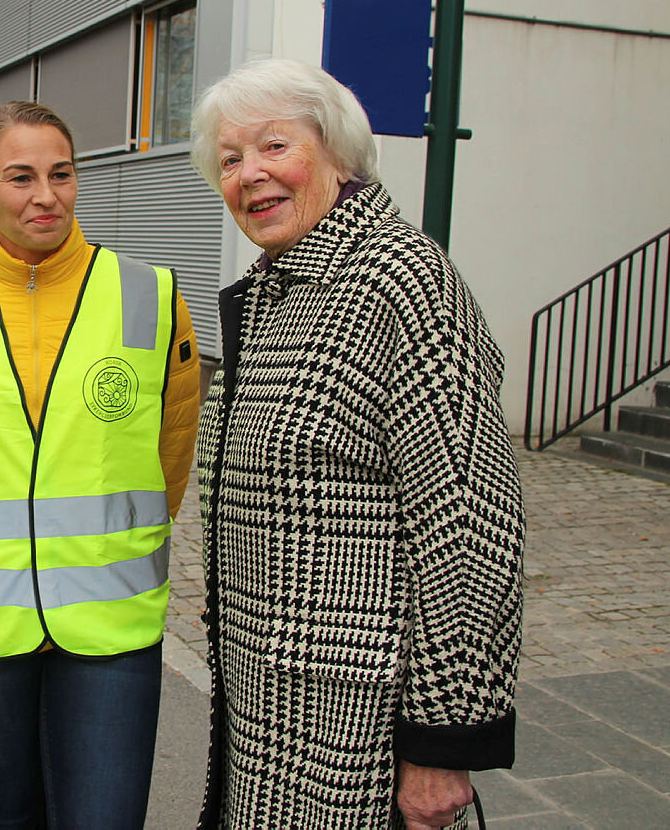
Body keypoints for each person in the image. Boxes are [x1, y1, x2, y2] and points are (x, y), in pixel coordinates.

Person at [188, 58, 523, 829]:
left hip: (358, 730)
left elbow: (472, 530)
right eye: (231, 160)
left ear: (337, 152)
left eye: (275, 147)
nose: (251, 175)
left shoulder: (401, 282)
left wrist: (442, 744)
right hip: (277, 709)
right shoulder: (288, 287)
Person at [0, 101, 202, 828]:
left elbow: (173, 449)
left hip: (109, 620)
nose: (46, 196)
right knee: (5, 815)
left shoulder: (150, 296)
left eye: (61, 174)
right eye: (21, 176)